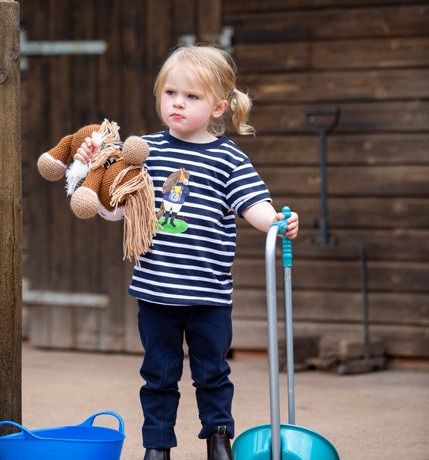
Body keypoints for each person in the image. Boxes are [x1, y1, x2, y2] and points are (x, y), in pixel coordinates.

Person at [75, 44, 299, 460]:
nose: (178, 104)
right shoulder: (143, 151)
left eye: (191, 97)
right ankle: (157, 446)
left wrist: (277, 223)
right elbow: (117, 210)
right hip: (156, 292)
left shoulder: (229, 159)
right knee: (158, 374)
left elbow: (253, 206)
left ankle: (218, 439)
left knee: (212, 372)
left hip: (209, 295)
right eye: (170, 94)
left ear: (217, 107)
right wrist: (95, 179)